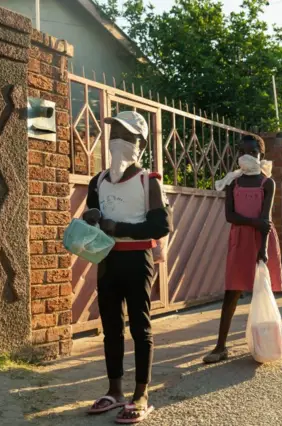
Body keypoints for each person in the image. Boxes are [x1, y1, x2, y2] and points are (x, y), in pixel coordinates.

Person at [83, 111, 172, 423]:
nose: (117, 140)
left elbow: (161, 225)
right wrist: (90, 220)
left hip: (137, 260)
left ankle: (141, 393)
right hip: (107, 260)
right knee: (110, 327)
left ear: (140, 144)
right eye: (114, 133)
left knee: (140, 326)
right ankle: (114, 390)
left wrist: (116, 226)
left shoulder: (149, 182)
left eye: (126, 135)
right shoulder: (98, 181)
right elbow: (89, 213)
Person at [203, 135, 282, 364]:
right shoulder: (233, 182)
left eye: (252, 152)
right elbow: (230, 216)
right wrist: (253, 222)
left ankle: (264, 341)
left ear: (261, 155)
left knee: (262, 290)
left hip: (261, 239)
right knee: (232, 291)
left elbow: (265, 220)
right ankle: (220, 346)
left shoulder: (267, 183)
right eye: (242, 152)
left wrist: (263, 248)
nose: (246, 156)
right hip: (240, 240)